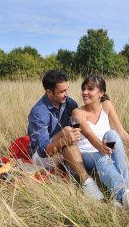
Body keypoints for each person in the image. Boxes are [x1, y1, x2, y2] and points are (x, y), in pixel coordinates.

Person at [72, 75, 129, 206]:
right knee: (102, 156)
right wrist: (101, 147)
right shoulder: (77, 112)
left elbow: (121, 132)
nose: (85, 92)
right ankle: (124, 193)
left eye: (90, 89)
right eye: (83, 89)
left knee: (112, 133)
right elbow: (88, 134)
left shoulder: (107, 106)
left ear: (101, 92)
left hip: (104, 149)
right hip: (86, 154)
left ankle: (126, 193)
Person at [28, 70, 104, 200]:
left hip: (66, 148)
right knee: (68, 131)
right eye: (62, 92)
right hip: (42, 156)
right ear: (49, 92)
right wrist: (63, 141)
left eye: (67, 90)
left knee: (71, 135)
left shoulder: (70, 103)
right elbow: (42, 151)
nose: (66, 94)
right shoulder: (38, 112)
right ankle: (88, 184)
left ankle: (96, 183)